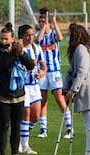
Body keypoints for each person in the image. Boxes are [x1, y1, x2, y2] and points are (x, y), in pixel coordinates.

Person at [0, 22, 35, 155]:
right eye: (2, 38)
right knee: (4, 126)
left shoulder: (18, 49)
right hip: (2, 95)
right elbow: (1, 65)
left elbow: (31, 65)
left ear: (12, 39)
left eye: (6, 39)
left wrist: (21, 53)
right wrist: (15, 53)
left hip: (19, 94)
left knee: (16, 126)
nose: (3, 41)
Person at [35, 7, 72, 139]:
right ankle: (43, 129)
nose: (41, 23)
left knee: (59, 99)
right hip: (42, 72)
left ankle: (69, 128)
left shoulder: (53, 35)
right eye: (40, 21)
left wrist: (54, 22)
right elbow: (37, 41)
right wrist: (43, 28)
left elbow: (61, 38)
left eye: (44, 21)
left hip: (54, 72)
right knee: (43, 101)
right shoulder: (37, 34)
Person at [18, 24, 47, 155]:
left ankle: (20, 136)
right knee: (26, 115)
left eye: (32, 34)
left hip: (35, 86)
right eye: (27, 35)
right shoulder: (18, 50)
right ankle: (25, 146)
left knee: (35, 117)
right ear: (21, 36)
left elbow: (44, 66)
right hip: (23, 87)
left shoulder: (37, 48)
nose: (30, 37)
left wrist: (42, 73)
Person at [63, 23, 90, 155]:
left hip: (87, 91)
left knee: (88, 125)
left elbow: (82, 70)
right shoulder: (83, 49)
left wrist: (73, 90)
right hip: (86, 90)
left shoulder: (80, 49)